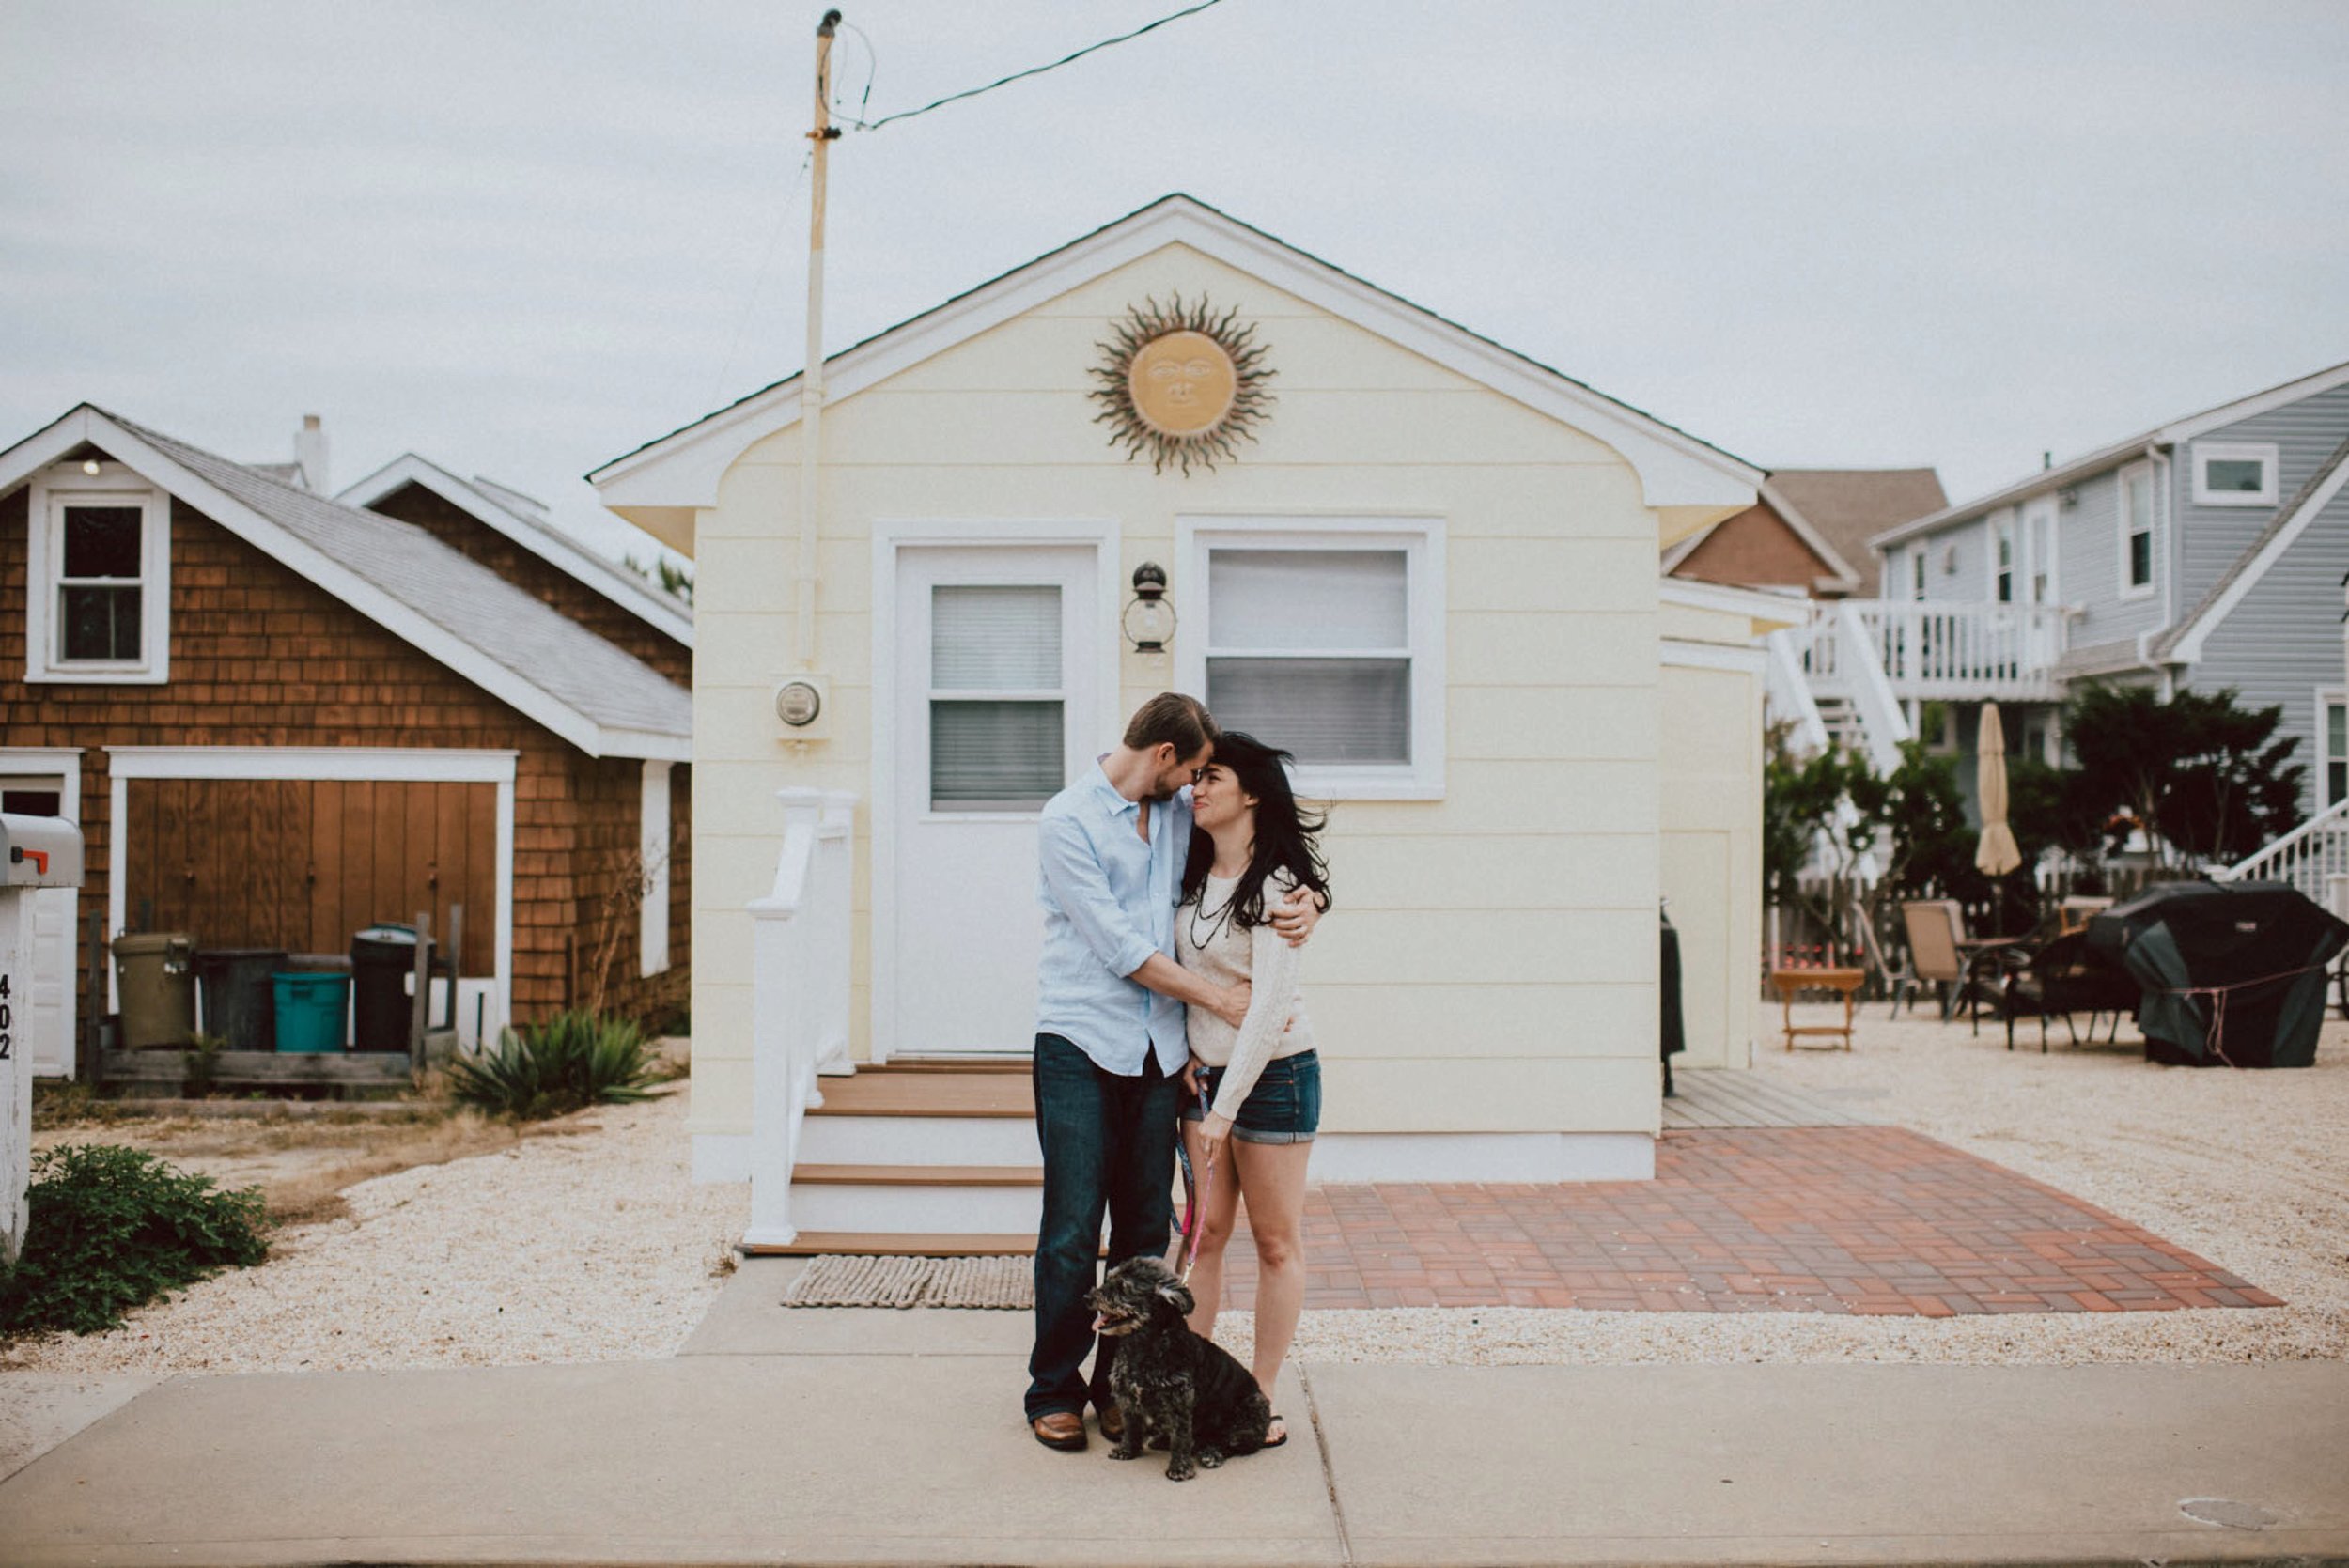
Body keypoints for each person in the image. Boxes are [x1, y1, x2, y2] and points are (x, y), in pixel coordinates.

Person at [1025, 694, 1320, 1452]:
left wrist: (1313, 899)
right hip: (1083, 1044)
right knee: (1070, 1227)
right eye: (1192, 770)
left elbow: (1260, 861)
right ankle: (1055, 1389)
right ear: (1164, 756)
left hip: (1163, 1058)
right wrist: (1220, 996)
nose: (1197, 786)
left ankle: (1121, 1388)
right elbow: (1120, 944)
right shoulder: (1067, 822)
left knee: (1149, 1228)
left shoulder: (1184, 815)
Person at [1174, 731, 1331, 1452]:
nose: (1197, 788)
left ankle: (1258, 1397)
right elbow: (1189, 986)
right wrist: (1190, 1060)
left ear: (1253, 793)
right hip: (1207, 1081)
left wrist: (1226, 1110)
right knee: (1204, 1235)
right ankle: (1189, 1383)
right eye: (1196, 776)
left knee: (1274, 1242)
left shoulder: (1277, 886)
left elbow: (1268, 1012)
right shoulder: (1190, 868)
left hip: (1273, 1080)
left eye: (1214, 777)